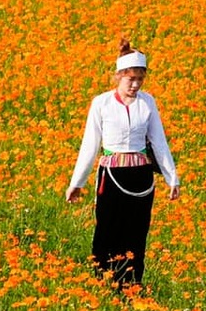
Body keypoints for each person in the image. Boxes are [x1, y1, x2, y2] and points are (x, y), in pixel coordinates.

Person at [65, 40, 181, 288]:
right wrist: (77, 183)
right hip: (111, 175)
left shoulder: (147, 102)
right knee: (107, 230)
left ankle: (132, 285)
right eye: (131, 79)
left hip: (141, 177)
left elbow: (159, 141)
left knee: (137, 233)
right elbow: (90, 145)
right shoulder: (102, 103)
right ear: (118, 76)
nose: (136, 85)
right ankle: (103, 282)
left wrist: (172, 178)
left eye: (140, 79)